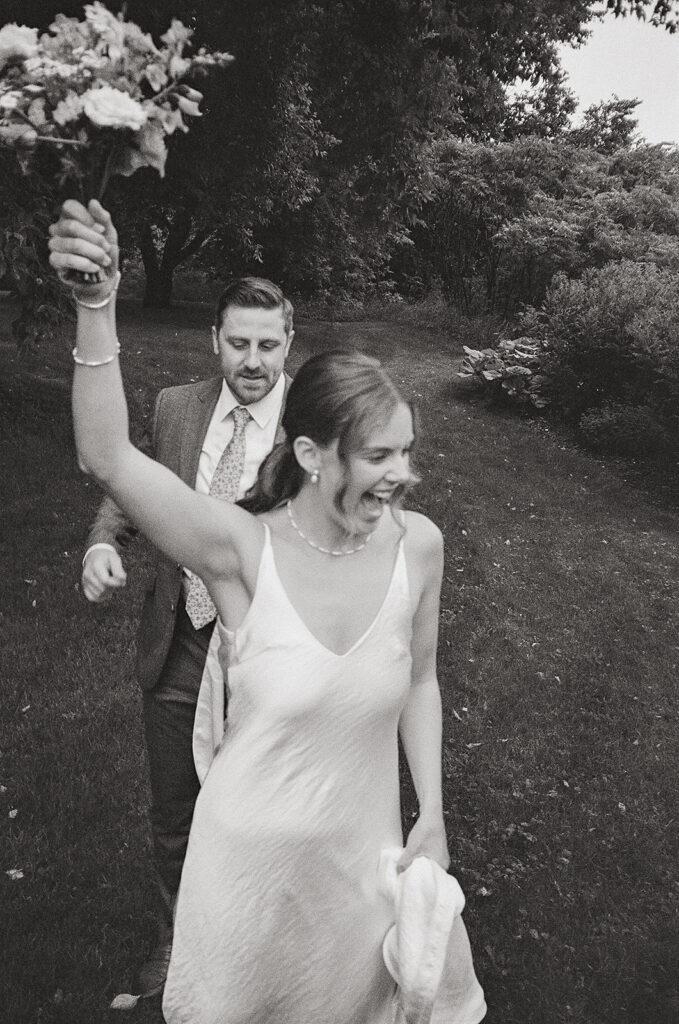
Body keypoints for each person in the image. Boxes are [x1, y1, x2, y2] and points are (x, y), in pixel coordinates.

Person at [49, 199, 486, 1024]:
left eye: (408, 451)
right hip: (243, 869)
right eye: (380, 455)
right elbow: (107, 456)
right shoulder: (242, 553)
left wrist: (430, 813)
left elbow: (420, 681)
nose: (404, 475)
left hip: (356, 870)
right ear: (314, 457)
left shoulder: (418, 547)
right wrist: (96, 304)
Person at [79, 266, 293, 993]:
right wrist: (105, 541)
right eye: (238, 343)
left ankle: (258, 945)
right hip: (177, 638)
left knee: (265, 811)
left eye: (268, 344)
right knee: (175, 809)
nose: (253, 361)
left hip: (268, 650)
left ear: (290, 342)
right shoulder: (175, 406)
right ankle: (176, 939)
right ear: (214, 341)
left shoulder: (316, 425)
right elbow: (131, 485)